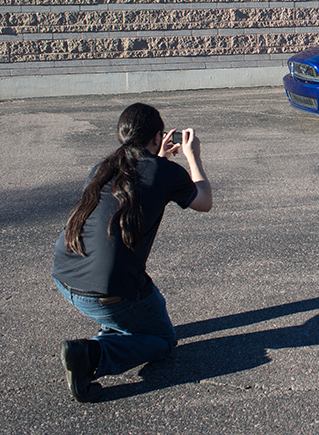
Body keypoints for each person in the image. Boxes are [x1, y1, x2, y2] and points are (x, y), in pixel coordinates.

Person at [51, 102, 212, 402]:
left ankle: (111, 330)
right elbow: (204, 200)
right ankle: (93, 355)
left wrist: (158, 156)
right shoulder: (166, 173)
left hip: (65, 276)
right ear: (157, 136)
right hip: (107, 293)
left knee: (144, 301)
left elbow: (142, 182)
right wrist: (193, 158)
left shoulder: (103, 166)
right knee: (163, 340)